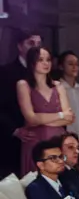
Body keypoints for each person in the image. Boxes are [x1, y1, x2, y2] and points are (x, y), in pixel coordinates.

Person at [15, 47, 74, 175]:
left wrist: (41, 120)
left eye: (48, 60)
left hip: (57, 140)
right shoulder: (23, 85)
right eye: (40, 60)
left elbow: (69, 118)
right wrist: (60, 115)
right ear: (32, 63)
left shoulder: (58, 86)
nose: (46, 63)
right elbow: (31, 118)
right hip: (36, 141)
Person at [0, 29, 42, 178]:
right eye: (31, 43)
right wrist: (15, 130)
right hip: (14, 141)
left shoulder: (45, 73)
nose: (35, 47)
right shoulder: (5, 72)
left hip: (41, 139)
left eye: (38, 44)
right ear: (20, 46)